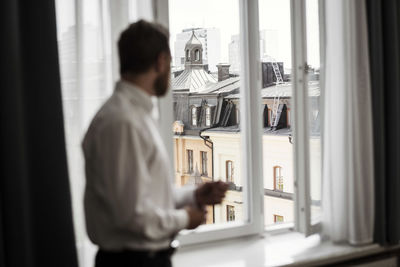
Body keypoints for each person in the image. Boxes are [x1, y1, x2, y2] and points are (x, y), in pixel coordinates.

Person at [82, 20, 229, 267]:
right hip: (134, 262)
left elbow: (142, 195)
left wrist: (193, 194)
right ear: (161, 61)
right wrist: (185, 218)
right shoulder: (123, 122)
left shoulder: (132, 115)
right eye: (170, 63)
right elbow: (132, 216)